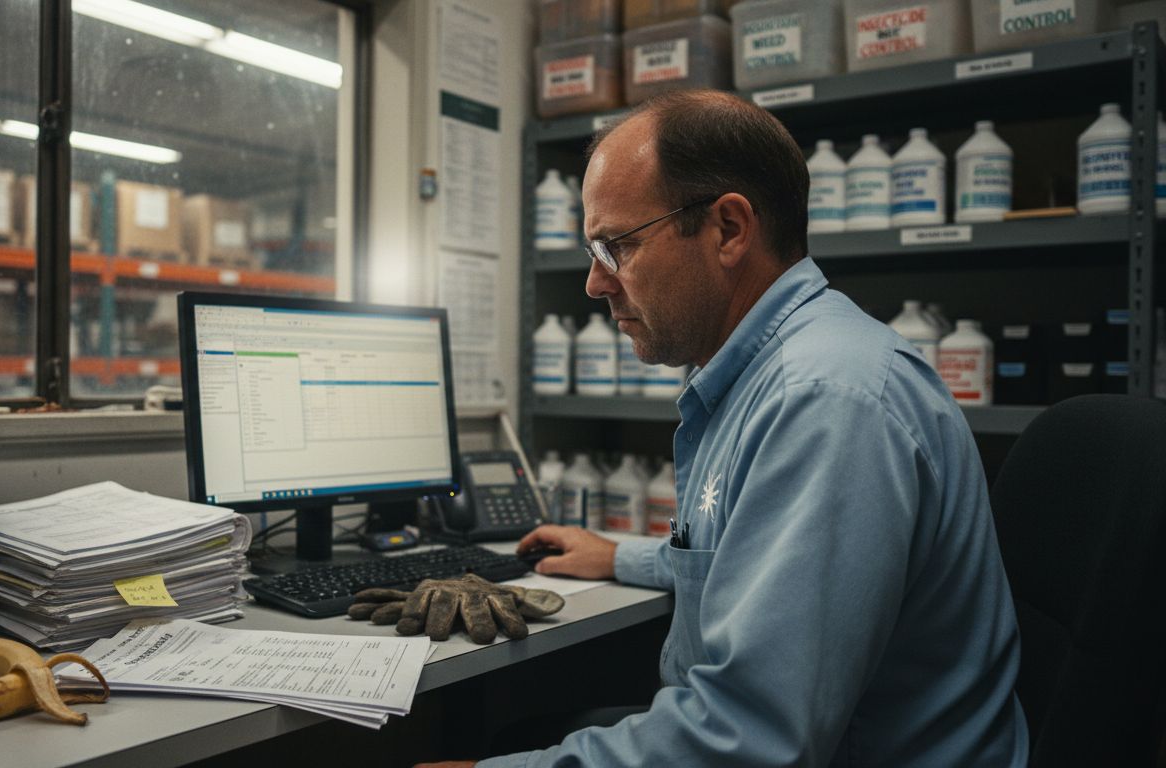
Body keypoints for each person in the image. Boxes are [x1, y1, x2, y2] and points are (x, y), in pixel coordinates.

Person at [418, 90, 1028, 767]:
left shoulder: (823, 402)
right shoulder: (765, 372)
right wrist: (623, 557)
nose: (596, 283)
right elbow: (761, 556)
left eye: (616, 246)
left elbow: (752, 740)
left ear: (729, 229)